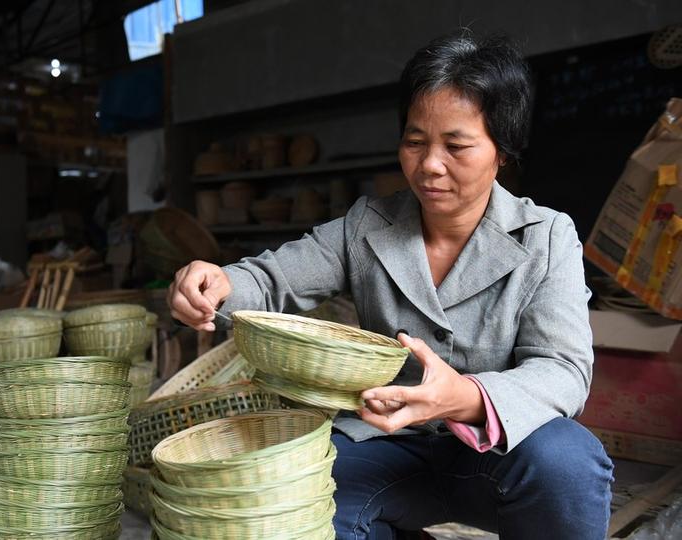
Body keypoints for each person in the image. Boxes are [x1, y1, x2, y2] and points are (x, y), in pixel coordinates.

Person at [168, 31, 613, 540]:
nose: (429, 165)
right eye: (415, 141)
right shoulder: (367, 226)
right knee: (300, 499)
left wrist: (463, 396)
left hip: (499, 451)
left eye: (456, 146)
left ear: (502, 151)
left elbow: (563, 370)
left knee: (568, 464)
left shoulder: (546, 237)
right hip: (386, 443)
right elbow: (273, 280)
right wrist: (218, 283)